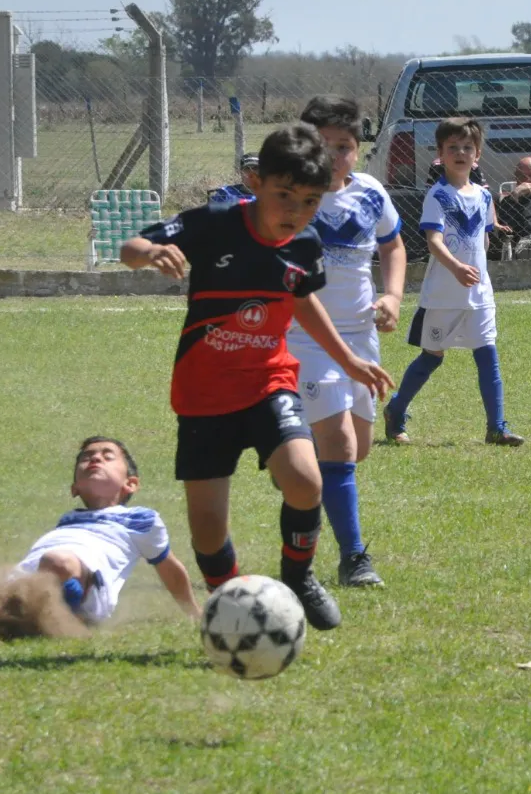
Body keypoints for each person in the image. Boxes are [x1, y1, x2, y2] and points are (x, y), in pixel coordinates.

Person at [118, 123, 395, 632]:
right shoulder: (215, 222)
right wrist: (149, 253)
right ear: (256, 183)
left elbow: (301, 299)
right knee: (207, 532)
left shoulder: (305, 242)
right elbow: (130, 247)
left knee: (306, 480)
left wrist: (347, 359)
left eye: (309, 201)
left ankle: (299, 577)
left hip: (270, 380)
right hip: (204, 395)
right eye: (284, 195)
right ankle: (233, 605)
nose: (295, 211)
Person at [290, 96, 406, 588]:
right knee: (338, 446)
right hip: (305, 338)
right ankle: (354, 558)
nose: (335, 156)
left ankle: (295, 467)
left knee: (357, 450)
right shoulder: (293, 197)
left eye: (344, 146)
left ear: (358, 150)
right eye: (324, 145)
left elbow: (393, 244)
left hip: (361, 336)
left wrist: (392, 296)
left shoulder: (371, 193)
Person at [0, 436, 202, 641]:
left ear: (130, 484)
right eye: (86, 458)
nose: (95, 459)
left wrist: (193, 611)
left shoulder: (140, 519)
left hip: (84, 582)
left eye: (107, 456)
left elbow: (168, 567)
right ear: (75, 488)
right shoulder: (69, 518)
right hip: (41, 571)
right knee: (6, 576)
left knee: (58, 562)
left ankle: (59, 620)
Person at [383, 117, 524, 447]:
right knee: (432, 357)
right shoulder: (438, 195)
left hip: (479, 295)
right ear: (440, 154)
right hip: (444, 295)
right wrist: (458, 268)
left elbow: (483, 239)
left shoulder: (484, 197)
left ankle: (496, 428)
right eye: (453, 147)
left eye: (467, 148)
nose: (461, 153)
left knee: (487, 355)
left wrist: (478, 271)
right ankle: (396, 410)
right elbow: (434, 241)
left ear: (478, 155)